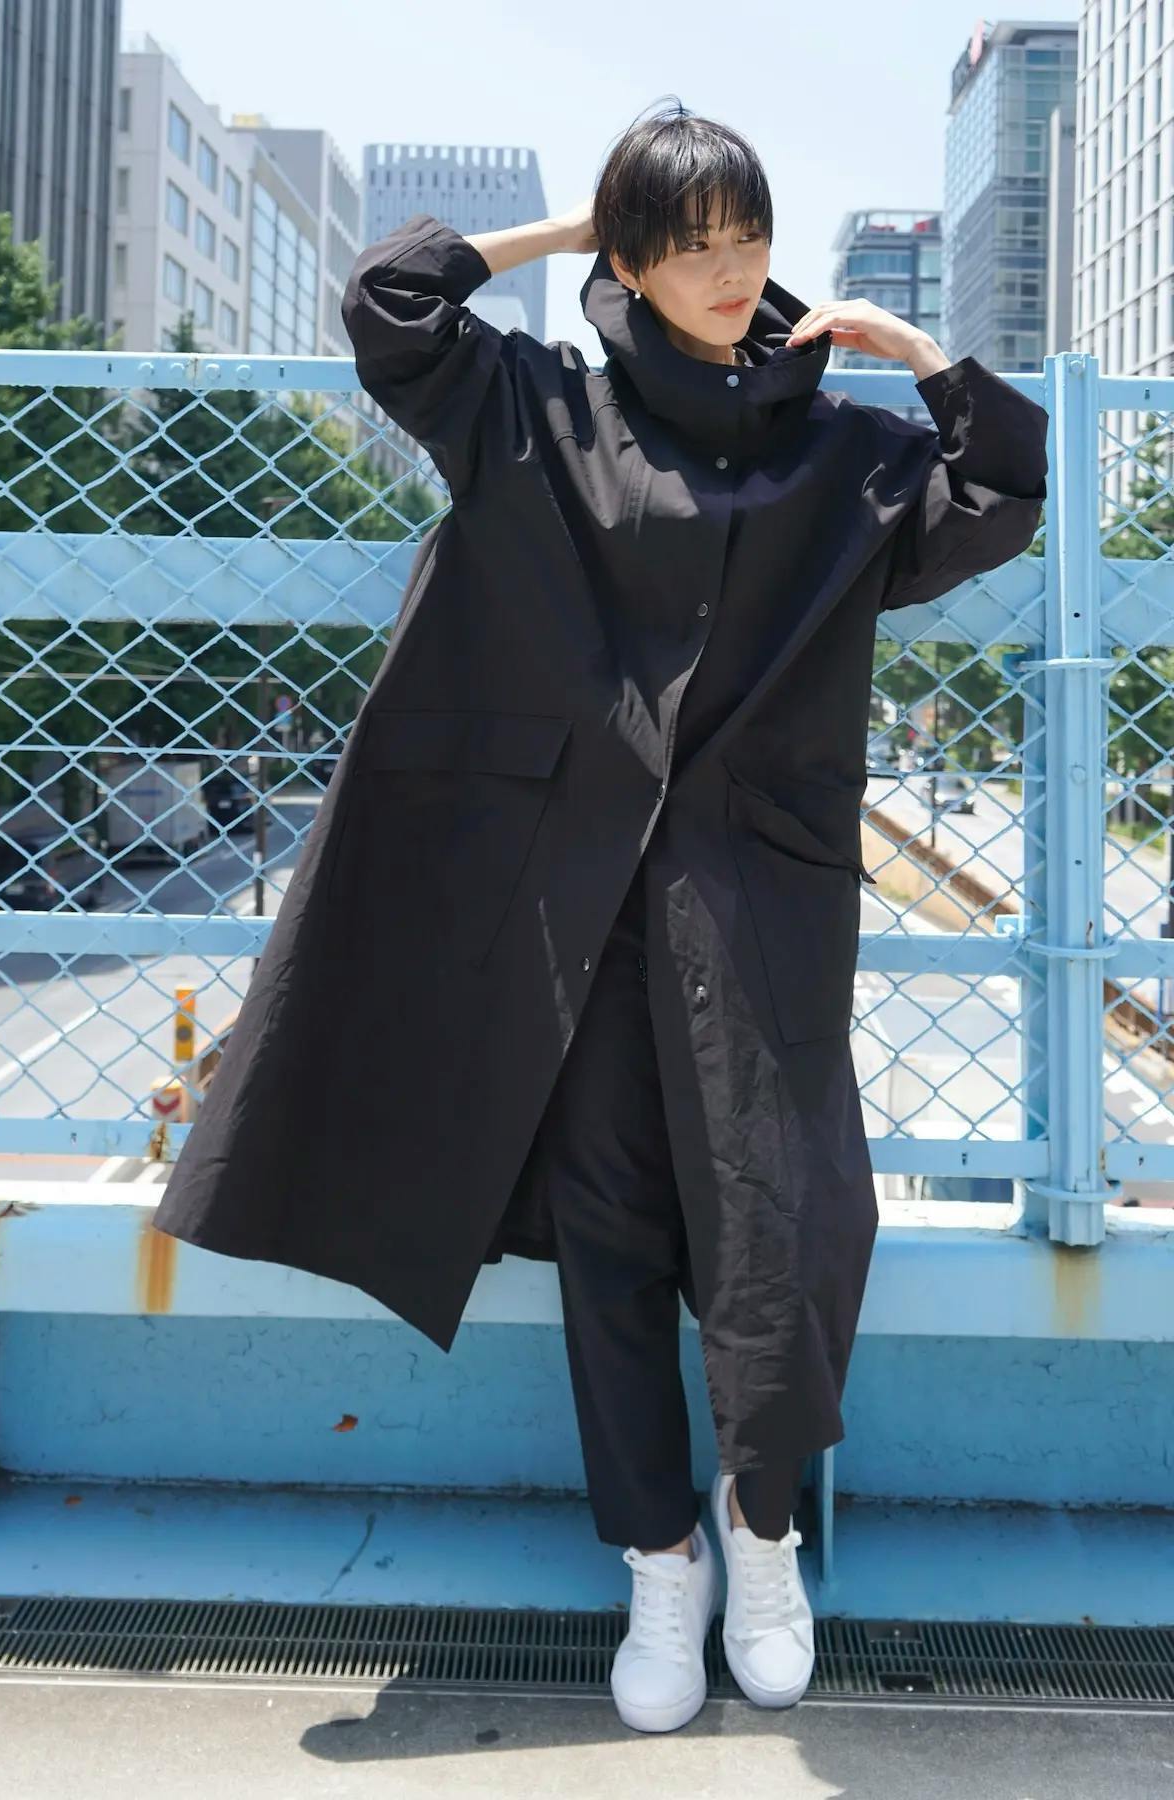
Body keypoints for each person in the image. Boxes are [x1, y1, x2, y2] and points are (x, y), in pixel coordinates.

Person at [153, 96, 1047, 1739]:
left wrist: (921, 356)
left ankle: (761, 1538)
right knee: (614, 1238)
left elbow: (996, 493)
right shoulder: (539, 409)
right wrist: (577, 232)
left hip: (758, 900)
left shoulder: (845, 455)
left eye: (747, 236)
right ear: (632, 261)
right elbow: (392, 304)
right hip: (568, 910)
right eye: (689, 243)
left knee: (786, 1222)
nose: (729, 270)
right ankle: (661, 1562)